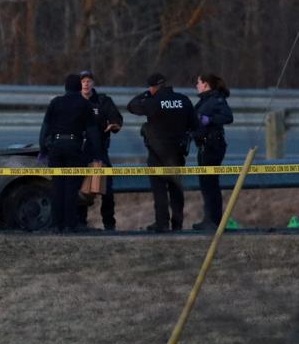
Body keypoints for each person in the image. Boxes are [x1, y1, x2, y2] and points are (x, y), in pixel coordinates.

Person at [127, 72, 197, 232]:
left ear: (152, 87)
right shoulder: (183, 100)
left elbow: (132, 106)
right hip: (178, 152)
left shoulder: (153, 101)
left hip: (157, 153)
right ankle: (177, 224)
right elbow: (194, 124)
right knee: (176, 190)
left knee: (160, 190)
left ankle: (162, 223)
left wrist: (146, 94)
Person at [40, 73, 102, 232]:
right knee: (71, 188)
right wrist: (97, 154)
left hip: (56, 147)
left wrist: (43, 148)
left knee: (57, 187)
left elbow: (45, 127)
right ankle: (70, 225)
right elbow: (92, 132)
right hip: (74, 147)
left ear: (65, 87)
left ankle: (56, 225)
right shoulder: (85, 104)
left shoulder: (55, 102)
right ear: (78, 87)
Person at [74, 71, 123, 230]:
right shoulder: (74, 101)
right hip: (80, 151)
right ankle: (81, 222)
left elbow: (116, 117)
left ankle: (109, 224)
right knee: (81, 187)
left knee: (107, 189)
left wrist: (114, 124)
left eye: (89, 81)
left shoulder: (103, 101)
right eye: (83, 81)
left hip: (100, 150)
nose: (86, 84)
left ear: (93, 83)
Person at [192, 73, 233, 230]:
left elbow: (228, 117)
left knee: (210, 184)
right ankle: (210, 219)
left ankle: (213, 220)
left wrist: (210, 120)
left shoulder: (216, 99)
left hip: (213, 146)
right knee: (206, 183)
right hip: (204, 145)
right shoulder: (205, 100)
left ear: (206, 84)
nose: (196, 85)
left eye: (198, 82)